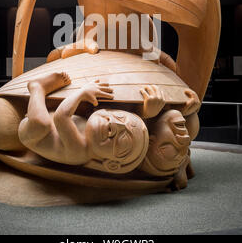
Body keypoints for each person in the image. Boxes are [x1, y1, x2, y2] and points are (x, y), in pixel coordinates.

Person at [18, 72, 149, 174]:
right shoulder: (90, 134)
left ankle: (37, 88)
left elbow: (61, 117)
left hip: (32, 136)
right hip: (45, 121)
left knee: (41, 124)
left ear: (111, 164)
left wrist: (82, 92)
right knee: (43, 122)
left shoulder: (80, 152)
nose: (115, 124)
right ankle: (36, 108)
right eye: (119, 117)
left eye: (122, 141)